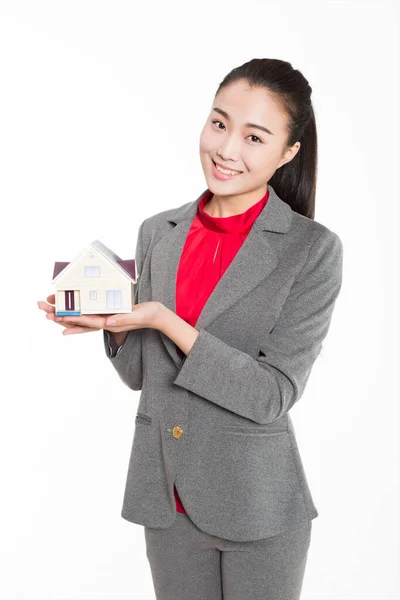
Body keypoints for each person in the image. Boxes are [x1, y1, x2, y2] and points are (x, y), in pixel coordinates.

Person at [38, 57, 343, 600]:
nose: (226, 149)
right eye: (219, 123)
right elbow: (141, 376)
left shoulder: (311, 250)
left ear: (288, 153)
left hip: (257, 506)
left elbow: (272, 393)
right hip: (166, 494)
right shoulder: (160, 231)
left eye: (255, 137)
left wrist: (165, 321)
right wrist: (115, 328)